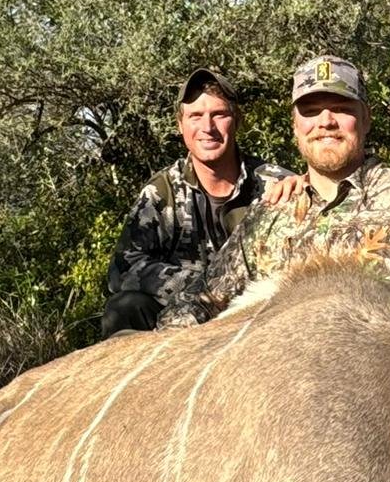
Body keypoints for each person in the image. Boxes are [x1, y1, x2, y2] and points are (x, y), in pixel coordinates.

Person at [158, 53, 390, 337]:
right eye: (310, 111)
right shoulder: (271, 210)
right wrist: (168, 350)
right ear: (295, 127)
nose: (325, 122)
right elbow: (201, 298)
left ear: (365, 119)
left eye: (340, 108)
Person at [100, 67, 292, 337]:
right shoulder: (162, 190)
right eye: (195, 116)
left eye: (219, 114)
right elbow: (122, 269)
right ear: (180, 125)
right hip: (182, 320)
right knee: (124, 307)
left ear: (237, 120)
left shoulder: (277, 184)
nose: (207, 128)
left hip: (256, 320)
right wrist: (203, 287)